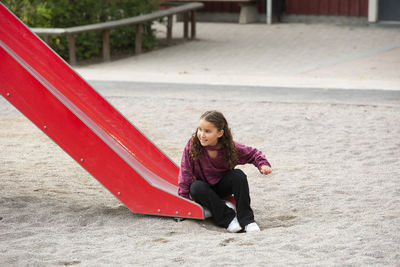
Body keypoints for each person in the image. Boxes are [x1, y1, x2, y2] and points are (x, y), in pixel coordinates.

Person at [178, 110, 272, 233]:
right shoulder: (192, 145)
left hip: (222, 187)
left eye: (207, 131)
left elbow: (253, 154)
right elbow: (185, 171)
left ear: (220, 133)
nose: (202, 134)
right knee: (195, 187)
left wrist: (262, 164)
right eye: (199, 129)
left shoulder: (229, 148)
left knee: (238, 175)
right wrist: (183, 200)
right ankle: (229, 219)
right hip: (203, 190)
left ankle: (247, 220)